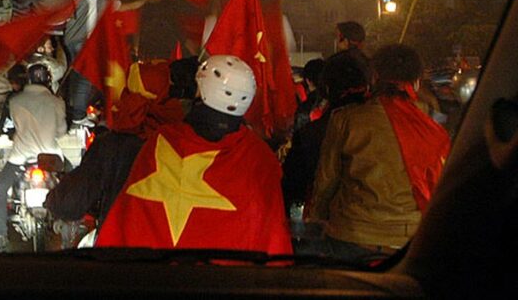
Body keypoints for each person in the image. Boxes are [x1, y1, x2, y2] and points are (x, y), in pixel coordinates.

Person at [95, 55, 292, 255]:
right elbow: (273, 238)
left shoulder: (163, 141)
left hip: (156, 281)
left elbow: (129, 220)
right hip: (231, 283)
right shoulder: (261, 157)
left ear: (202, 92)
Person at [309, 44, 451, 263]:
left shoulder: (347, 119)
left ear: (374, 77)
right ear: (417, 81)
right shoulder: (433, 124)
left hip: (351, 235)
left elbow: (326, 181)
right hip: (410, 240)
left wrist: (317, 219)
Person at [46, 60, 184, 229]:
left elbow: (70, 203)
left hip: (121, 244)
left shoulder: (110, 146)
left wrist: (54, 200)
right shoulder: (183, 142)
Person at [282, 51, 371, 244]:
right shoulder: (394, 125)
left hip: (333, 234)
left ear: (327, 89)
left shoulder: (314, 132)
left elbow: (293, 188)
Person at [0, 61, 68, 254]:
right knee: (72, 182)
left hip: (20, 158)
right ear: (48, 80)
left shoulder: (15, 101)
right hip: (50, 158)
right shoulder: (57, 102)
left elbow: (11, 127)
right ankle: (71, 225)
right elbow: (61, 131)